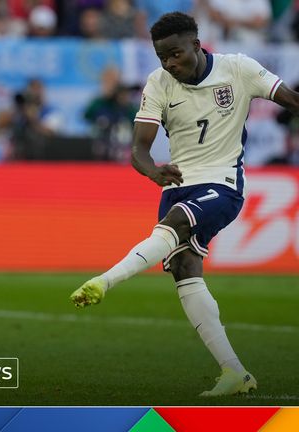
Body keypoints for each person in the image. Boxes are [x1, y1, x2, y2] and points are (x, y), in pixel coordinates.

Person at [70, 12, 299, 396]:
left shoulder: (238, 69)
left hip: (222, 183)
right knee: (183, 267)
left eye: (175, 54)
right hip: (175, 183)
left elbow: (291, 100)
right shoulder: (159, 83)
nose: (169, 64)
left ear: (196, 44)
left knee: (175, 225)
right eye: (162, 57)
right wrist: (153, 172)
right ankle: (234, 373)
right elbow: (139, 149)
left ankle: (104, 281)